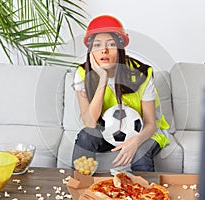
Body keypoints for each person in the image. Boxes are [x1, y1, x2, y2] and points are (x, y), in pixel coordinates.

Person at [72, 15, 170, 172]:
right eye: (97, 45)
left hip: (146, 132)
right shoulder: (83, 73)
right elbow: (90, 123)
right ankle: (79, 187)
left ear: (120, 48)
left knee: (140, 152)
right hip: (108, 132)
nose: (103, 50)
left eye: (111, 44)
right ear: (91, 51)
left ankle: (146, 194)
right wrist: (102, 78)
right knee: (86, 135)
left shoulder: (141, 73)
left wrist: (135, 142)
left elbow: (151, 123)